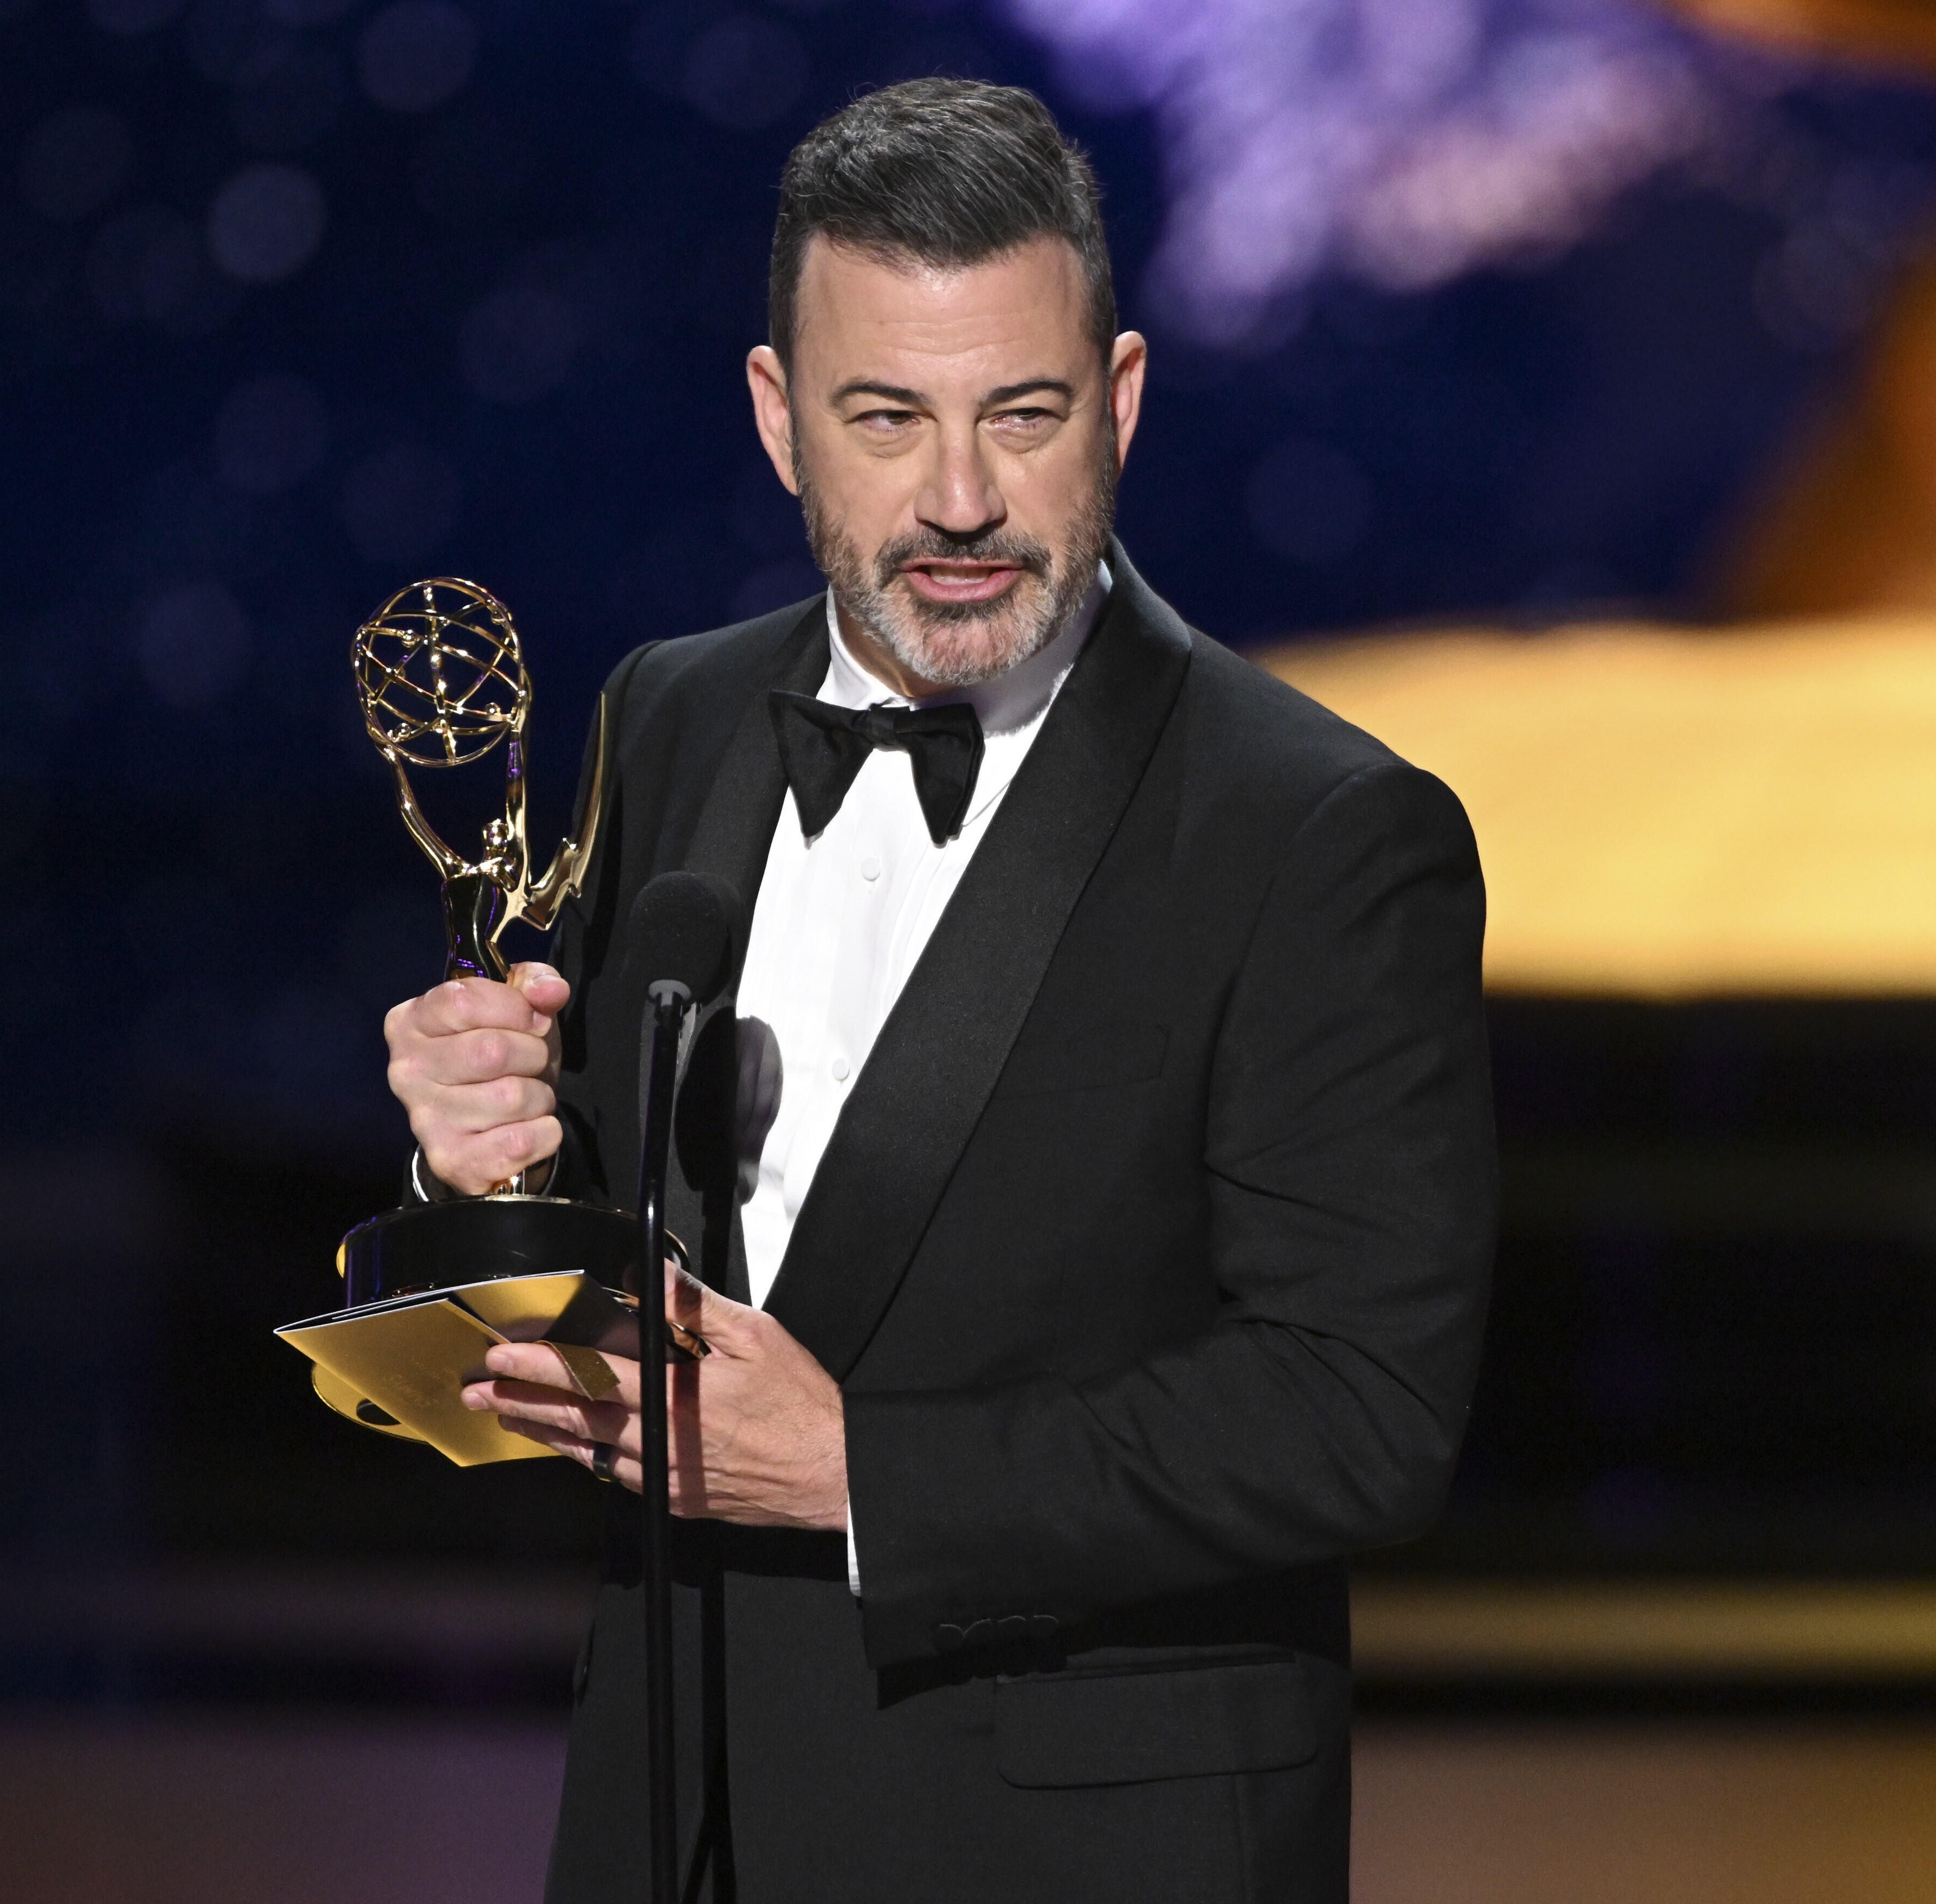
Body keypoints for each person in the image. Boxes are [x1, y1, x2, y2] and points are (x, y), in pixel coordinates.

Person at [382, 78, 1494, 1904]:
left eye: (1021, 415)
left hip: (1081, 1850)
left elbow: (1359, 1411)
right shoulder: (668, 713)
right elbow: (632, 1251)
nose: (960, 499)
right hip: (671, 1816)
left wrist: (860, 1473)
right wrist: (480, 1163)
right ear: (778, 419)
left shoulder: (1322, 829)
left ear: (1120, 400)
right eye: (885, 418)